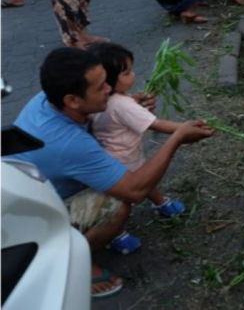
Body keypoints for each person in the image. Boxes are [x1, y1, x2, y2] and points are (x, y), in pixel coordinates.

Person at [3, 47, 214, 299]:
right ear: (73, 100)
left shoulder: (47, 99)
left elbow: (94, 119)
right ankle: (76, 262)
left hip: (18, 196)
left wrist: (124, 104)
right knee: (118, 204)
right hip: (32, 220)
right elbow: (135, 191)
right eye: (102, 87)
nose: (110, 90)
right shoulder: (69, 144)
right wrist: (176, 139)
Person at [87, 43, 190, 251]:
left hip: (113, 158)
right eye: (126, 73)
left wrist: (133, 100)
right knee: (129, 192)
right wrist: (185, 129)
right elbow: (156, 124)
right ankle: (115, 234)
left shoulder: (101, 99)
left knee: (146, 180)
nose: (132, 75)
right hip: (124, 161)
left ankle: (160, 203)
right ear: (107, 80)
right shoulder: (123, 105)